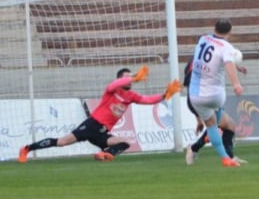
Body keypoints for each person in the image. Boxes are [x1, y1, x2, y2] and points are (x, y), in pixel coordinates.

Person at [18, 66, 181, 163]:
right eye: (127, 78)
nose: (130, 80)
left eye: (131, 78)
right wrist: (134, 77)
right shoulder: (112, 89)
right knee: (62, 142)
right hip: (92, 125)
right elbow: (114, 84)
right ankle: (27, 149)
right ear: (120, 80)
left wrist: (165, 94)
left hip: (103, 132)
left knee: (125, 142)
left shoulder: (131, 97)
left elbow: (147, 100)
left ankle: (105, 154)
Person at [187, 18, 244, 167]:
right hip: (215, 95)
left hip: (195, 95)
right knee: (218, 124)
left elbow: (210, 59)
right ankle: (223, 155)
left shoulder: (203, 39)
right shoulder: (226, 46)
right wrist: (236, 84)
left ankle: (225, 157)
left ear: (214, 28)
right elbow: (228, 63)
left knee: (212, 125)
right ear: (230, 31)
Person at [183, 56, 248, 165]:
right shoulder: (211, 58)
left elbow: (188, 86)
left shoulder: (197, 60)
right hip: (204, 98)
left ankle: (228, 157)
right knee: (217, 125)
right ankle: (195, 148)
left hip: (196, 99)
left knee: (228, 125)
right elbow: (225, 61)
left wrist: (238, 68)